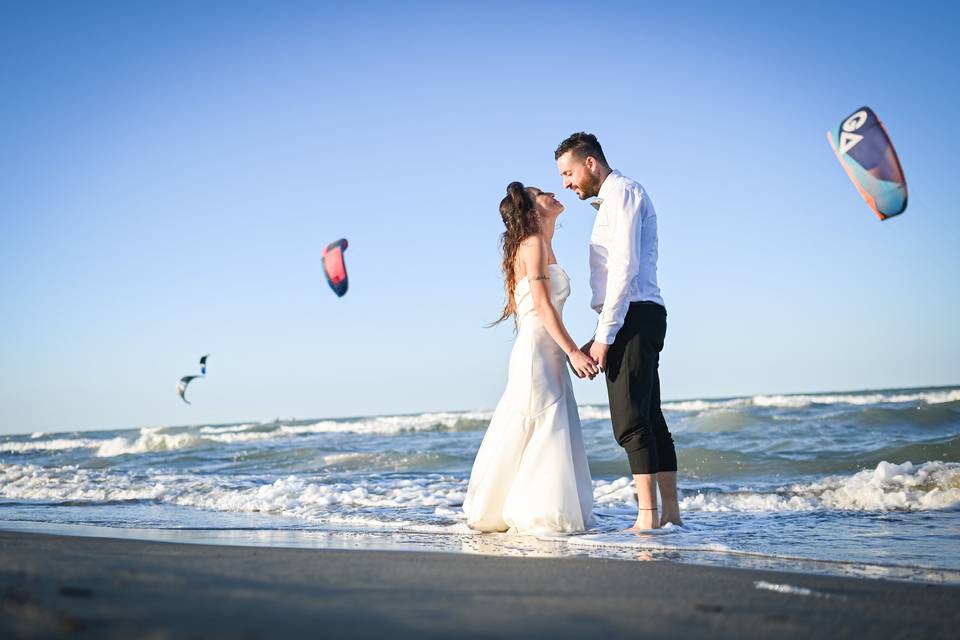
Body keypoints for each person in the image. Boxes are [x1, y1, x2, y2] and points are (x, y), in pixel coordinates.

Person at [555, 132, 682, 531]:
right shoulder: (614, 199)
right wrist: (601, 331)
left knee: (630, 421)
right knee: (650, 417)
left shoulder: (623, 194)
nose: (566, 183)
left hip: (633, 315)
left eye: (568, 172)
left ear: (590, 163)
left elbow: (623, 269)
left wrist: (606, 336)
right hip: (635, 313)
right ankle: (670, 517)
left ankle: (648, 517)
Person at [462, 182, 596, 534]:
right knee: (542, 425)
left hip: (545, 348)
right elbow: (540, 305)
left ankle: (507, 507)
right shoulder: (533, 244)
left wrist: (569, 349)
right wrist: (573, 352)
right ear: (532, 210)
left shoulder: (540, 244)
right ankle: (538, 513)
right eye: (542, 194)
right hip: (538, 351)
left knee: (545, 425)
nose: (553, 194)